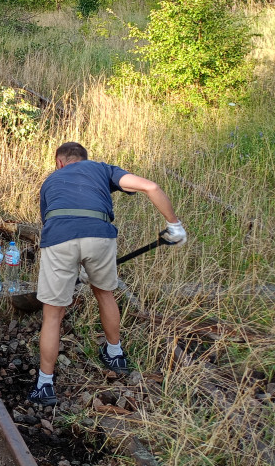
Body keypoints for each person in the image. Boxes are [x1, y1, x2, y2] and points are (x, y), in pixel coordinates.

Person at [28, 142, 187, 405]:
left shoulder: (50, 180)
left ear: (58, 162)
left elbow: (51, 221)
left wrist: (72, 267)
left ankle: (45, 385)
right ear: (85, 159)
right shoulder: (103, 169)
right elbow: (151, 187)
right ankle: (115, 354)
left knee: (53, 313)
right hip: (100, 235)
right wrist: (174, 225)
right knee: (105, 294)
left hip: (59, 237)